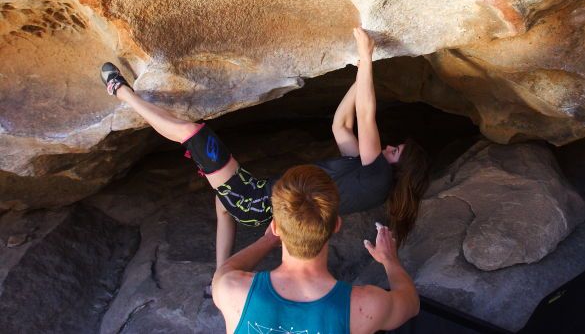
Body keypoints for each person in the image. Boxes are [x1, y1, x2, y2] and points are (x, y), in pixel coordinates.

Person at [100, 27, 430, 270]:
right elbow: (341, 125)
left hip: (258, 200)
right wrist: (360, 75)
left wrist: (368, 55)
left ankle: (122, 93)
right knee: (223, 204)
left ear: (401, 167)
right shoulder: (365, 177)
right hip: (257, 200)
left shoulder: (379, 176)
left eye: (395, 151)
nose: (388, 148)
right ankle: (220, 271)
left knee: (193, 132)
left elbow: (365, 115)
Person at [212, 164, 420, 333]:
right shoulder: (366, 306)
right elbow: (411, 302)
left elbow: (226, 269)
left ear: (275, 227)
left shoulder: (232, 289)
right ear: (336, 225)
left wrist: (268, 240)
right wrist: (389, 259)